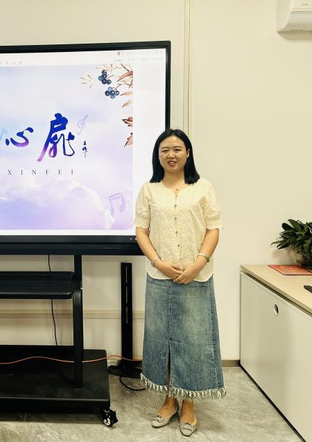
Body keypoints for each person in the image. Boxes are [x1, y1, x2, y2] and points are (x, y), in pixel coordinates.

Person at [134, 128, 225, 436]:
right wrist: (158, 262)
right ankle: (169, 400)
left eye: (177, 149)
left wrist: (199, 263)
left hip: (197, 276)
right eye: (165, 150)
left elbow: (213, 229)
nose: (171, 155)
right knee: (163, 341)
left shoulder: (203, 188)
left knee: (194, 341)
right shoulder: (149, 190)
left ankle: (189, 404)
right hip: (160, 277)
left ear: (188, 153)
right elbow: (141, 231)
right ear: (157, 156)